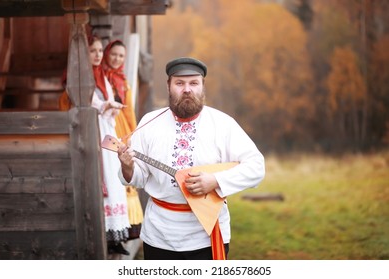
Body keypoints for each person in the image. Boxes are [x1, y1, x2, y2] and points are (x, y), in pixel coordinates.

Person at [117, 57, 265, 260]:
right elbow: (139, 177)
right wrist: (127, 167)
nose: (187, 89)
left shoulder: (223, 124)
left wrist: (215, 181)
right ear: (168, 86)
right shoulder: (149, 123)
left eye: (194, 83)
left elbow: (256, 167)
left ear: (203, 86)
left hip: (207, 234)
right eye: (179, 83)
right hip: (159, 235)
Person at [60, 36, 131, 255]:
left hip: (106, 132)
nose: (99, 54)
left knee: (113, 177)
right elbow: (80, 102)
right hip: (90, 133)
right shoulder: (78, 76)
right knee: (101, 178)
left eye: (100, 50)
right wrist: (102, 107)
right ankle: (102, 231)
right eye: (93, 51)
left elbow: (104, 109)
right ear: (83, 54)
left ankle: (115, 234)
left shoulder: (103, 76)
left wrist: (111, 108)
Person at [102, 40, 144, 240]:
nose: (117, 59)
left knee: (124, 172)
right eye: (114, 54)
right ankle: (110, 226)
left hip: (122, 129)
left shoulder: (123, 81)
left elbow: (129, 111)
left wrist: (134, 133)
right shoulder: (99, 78)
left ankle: (127, 227)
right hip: (106, 129)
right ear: (106, 54)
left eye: (121, 56)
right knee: (109, 172)